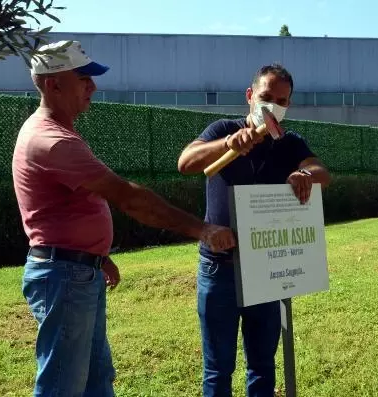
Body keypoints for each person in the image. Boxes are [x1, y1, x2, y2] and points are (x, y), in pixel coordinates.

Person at [12, 40, 236, 397]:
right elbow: (127, 197)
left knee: (97, 381)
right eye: (83, 77)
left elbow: (67, 209)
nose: (93, 86)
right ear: (53, 83)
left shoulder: (58, 132)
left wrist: (97, 256)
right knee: (62, 386)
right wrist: (203, 229)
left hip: (77, 271)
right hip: (66, 278)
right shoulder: (51, 140)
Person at [177, 63, 331, 396]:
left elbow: (322, 172)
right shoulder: (222, 129)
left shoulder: (289, 144)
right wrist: (229, 144)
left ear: (287, 105)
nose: (272, 105)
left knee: (262, 366)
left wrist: (306, 176)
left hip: (266, 268)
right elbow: (186, 162)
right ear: (250, 96)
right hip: (220, 268)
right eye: (265, 96)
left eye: (281, 100)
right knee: (218, 370)